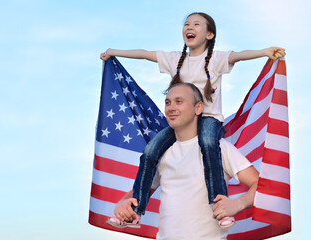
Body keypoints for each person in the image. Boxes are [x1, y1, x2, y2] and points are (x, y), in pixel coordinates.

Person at [100, 12, 285, 228]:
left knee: (208, 143)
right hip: (185, 124)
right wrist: (113, 52)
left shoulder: (216, 59)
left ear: (209, 34)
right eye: (187, 24)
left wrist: (265, 52)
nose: (190, 27)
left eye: (197, 24)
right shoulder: (175, 59)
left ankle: (220, 206)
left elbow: (239, 56)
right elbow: (144, 54)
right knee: (150, 151)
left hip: (208, 120)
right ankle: (136, 210)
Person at [110, 83, 259, 239]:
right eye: (168, 102)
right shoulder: (161, 154)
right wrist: (121, 204)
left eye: (179, 101)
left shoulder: (219, 148)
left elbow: (260, 184)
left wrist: (238, 204)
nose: (171, 107)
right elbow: (139, 191)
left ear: (198, 108)